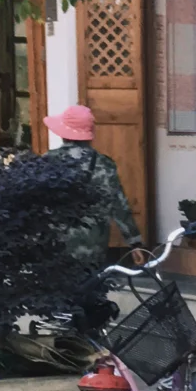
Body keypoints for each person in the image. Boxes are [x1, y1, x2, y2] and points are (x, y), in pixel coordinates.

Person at [42, 104, 142, 270]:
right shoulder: (104, 164)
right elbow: (119, 207)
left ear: (63, 133)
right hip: (93, 245)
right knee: (91, 288)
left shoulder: (48, 160)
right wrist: (134, 242)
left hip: (56, 243)